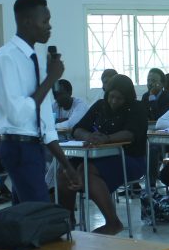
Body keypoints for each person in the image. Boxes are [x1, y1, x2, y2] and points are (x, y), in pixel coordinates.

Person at [0, 0, 84, 250]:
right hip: (17, 148)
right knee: (43, 226)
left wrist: (65, 163)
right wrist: (51, 79)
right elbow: (18, 113)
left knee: (19, 232)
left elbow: (42, 119)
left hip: (34, 149)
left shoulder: (34, 58)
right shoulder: (5, 60)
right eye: (45, 20)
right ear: (27, 21)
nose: (50, 26)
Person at [61, 74, 148, 234]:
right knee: (65, 170)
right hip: (96, 156)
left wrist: (106, 139)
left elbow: (130, 134)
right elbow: (77, 129)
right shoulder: (100, 105)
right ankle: (68, 220)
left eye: (119, 98)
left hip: (129, 159)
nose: (114, 101)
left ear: (127, 98)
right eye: (111, 96)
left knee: (87, 171)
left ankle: (113, 222)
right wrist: (89, 136)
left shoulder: (137, 108)